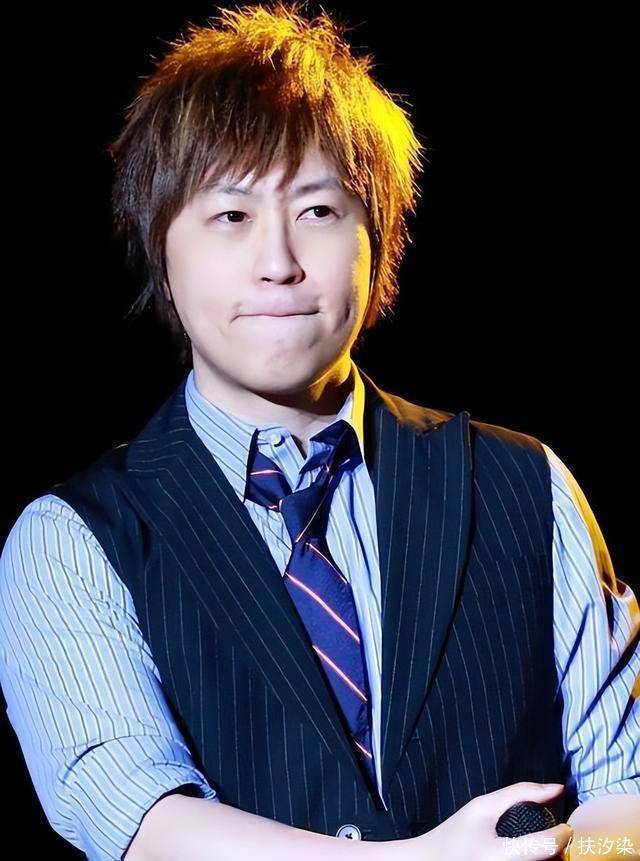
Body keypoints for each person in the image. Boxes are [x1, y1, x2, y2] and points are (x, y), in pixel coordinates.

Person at [0, 3, 638, 860]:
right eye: (231, 216)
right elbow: (141, 819)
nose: (278, 263)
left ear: (380, 239)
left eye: (319, 211)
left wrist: (566, 850)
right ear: (163, 251)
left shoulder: (524, 484)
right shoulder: (74, 538)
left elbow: (627, 792)